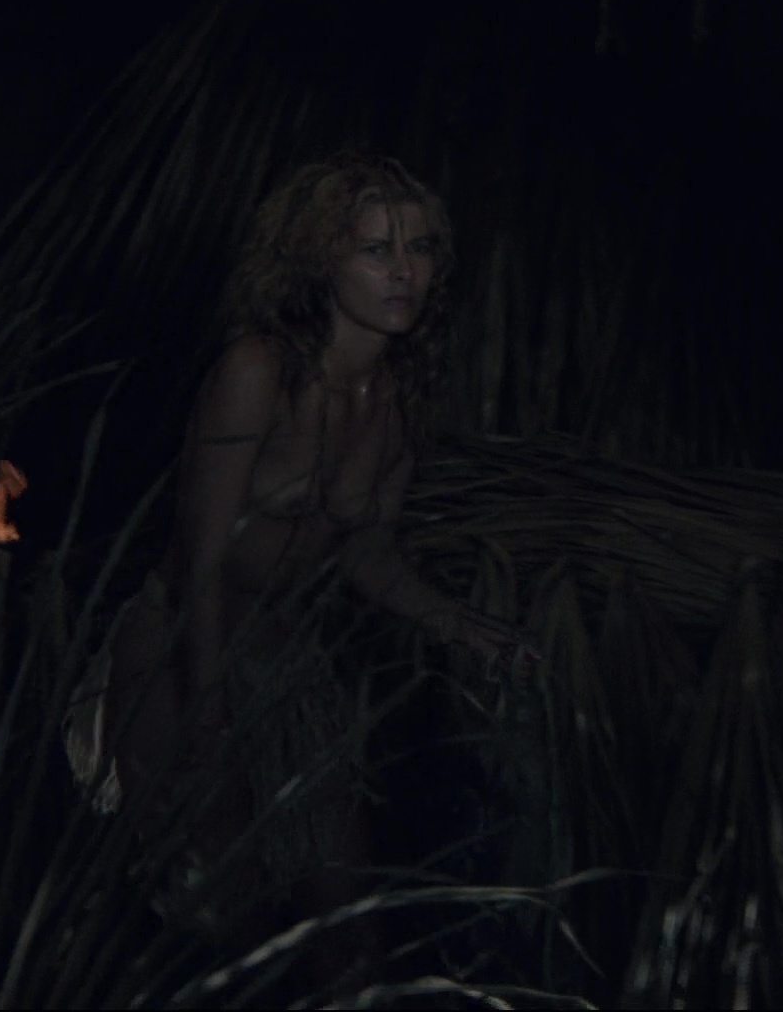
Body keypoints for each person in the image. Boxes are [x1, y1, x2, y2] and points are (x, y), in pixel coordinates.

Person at [64, 151, 538, 965]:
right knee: (224, 922)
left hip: (284, 660)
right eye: (377, 250)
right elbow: (200, 560)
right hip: (179, 650)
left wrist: (470, 629)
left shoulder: (400, 393)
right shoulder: (259, 370)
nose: (404, 272)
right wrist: (209, 709)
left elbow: (367, 552)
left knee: (350, 928)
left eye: (421, 248)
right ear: (322, 260)